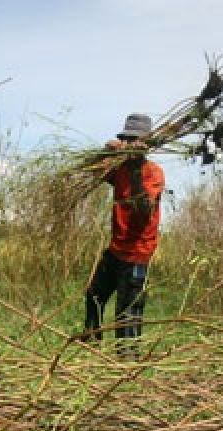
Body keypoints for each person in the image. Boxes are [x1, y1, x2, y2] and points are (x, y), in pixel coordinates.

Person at [81, 113, 165, 352]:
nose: (129, 144)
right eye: (126, 139)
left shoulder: (153, 173)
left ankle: (127, 364)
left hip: (137, 253)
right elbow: (92, 171)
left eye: (134, 140)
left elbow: (143, 210)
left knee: (127, 314)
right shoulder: (119, 169)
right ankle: (92, 345)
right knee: (94, 295)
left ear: (146, 145)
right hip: (116, 249)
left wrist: (137, 168)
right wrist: (104, 153)